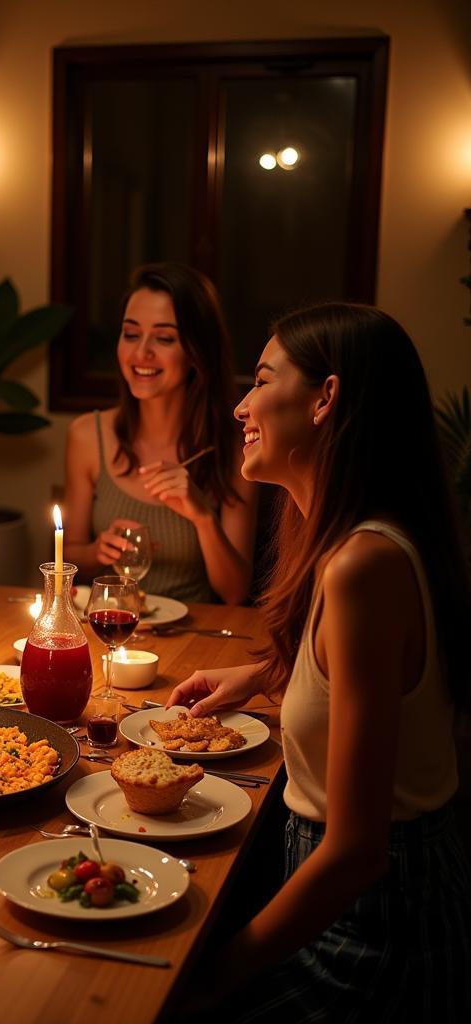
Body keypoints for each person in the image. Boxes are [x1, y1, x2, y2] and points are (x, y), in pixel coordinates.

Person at [168, 303, 471, 1019]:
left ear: (325, 399)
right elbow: (354, 680)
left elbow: (359, 852)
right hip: (342, 899)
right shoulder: (345, 542)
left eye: (263, 379)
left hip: (379, 935)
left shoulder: (365, 566)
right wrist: (264, 675)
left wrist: (213, 974)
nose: (242, 404)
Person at [63, 262, 257, 604]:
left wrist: (202, 517)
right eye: (131, 334)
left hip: (197, 639)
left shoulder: (235, 447)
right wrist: (98, 551)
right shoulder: (86, 436)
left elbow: (236, 594)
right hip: (112, 627)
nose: (141, 353)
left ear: (197, 352)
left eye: (165, 338)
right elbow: (70, 559)